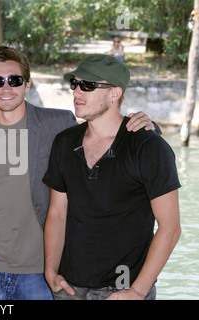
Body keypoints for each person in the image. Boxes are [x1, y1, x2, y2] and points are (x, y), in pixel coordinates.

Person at [0, 46, 156, 300]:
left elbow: (104, 129)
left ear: (27, 85)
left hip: (41, 271)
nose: (6, 88)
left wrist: (147, 126)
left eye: (15, 80)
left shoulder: (58, 124)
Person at [43, 54, 181, 300]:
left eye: (88, 85)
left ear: (115, 93)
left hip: (124, 290)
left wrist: (137, 291)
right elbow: (57, 213)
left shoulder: (149, 147)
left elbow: (170, 228)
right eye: (75, 83)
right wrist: (51, 271)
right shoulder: (64, 142)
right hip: (69, 289)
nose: (77, 92)